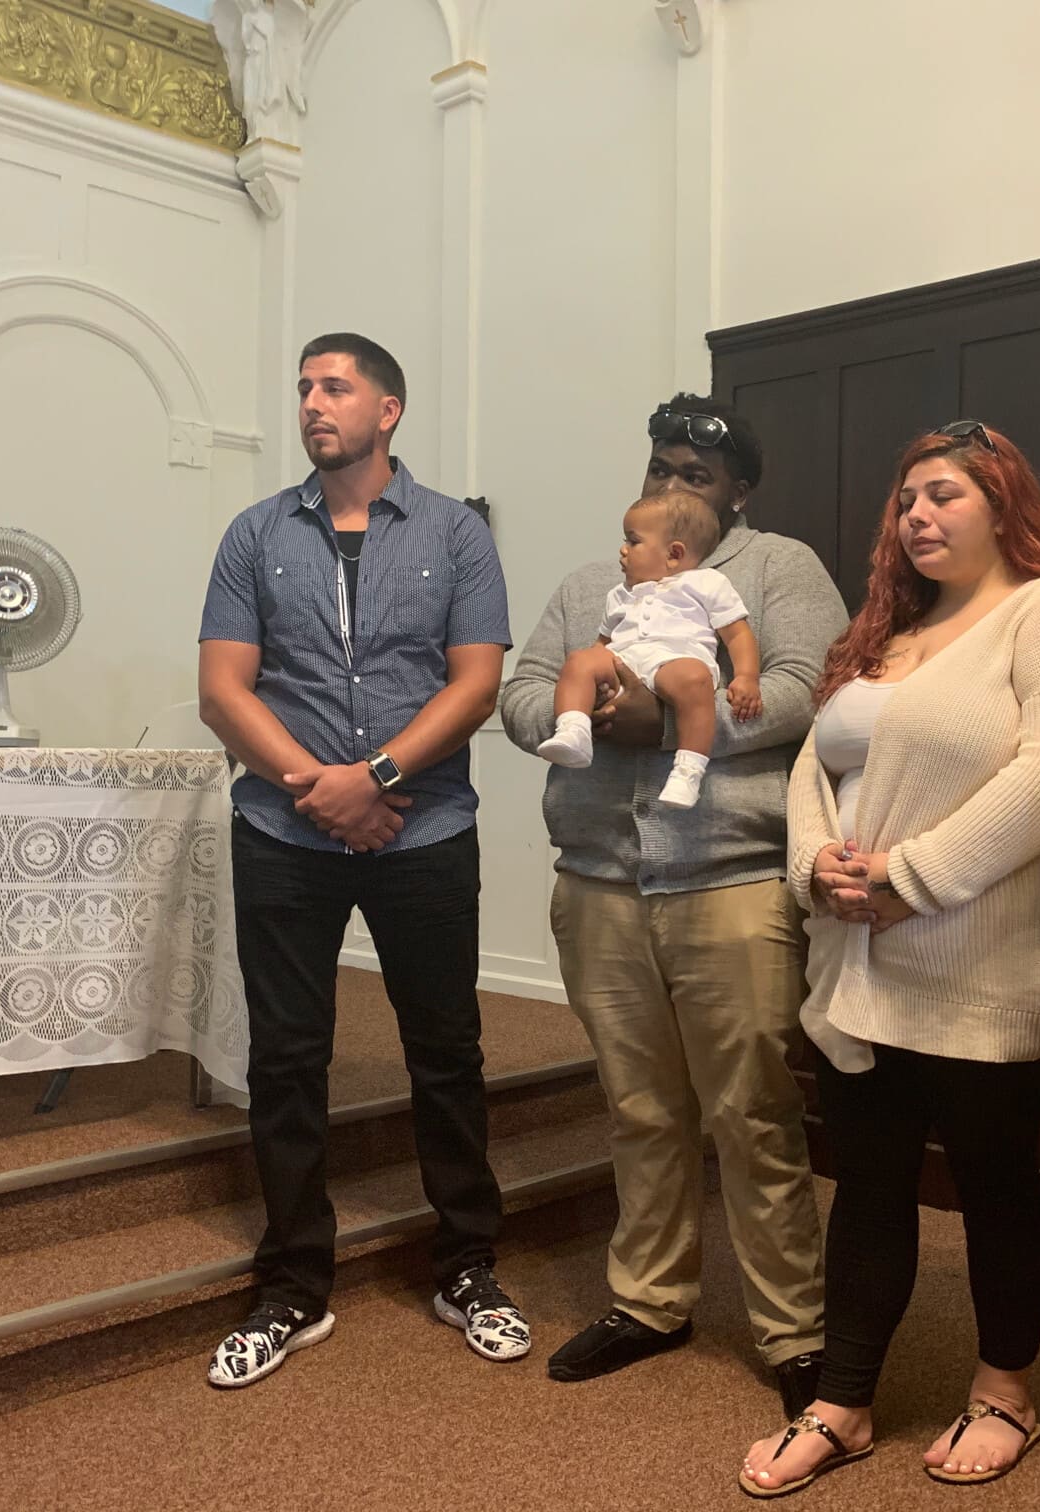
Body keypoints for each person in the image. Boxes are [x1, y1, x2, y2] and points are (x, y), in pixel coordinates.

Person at [740, 420, 1040, 1498]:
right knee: (866, 1184)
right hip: (859, 970)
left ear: (1004, 505)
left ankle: (1006, 1391)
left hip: (984, 969)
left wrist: (912, 876)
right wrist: (816, 864)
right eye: (906, 499)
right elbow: (814, 768)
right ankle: (844, 1402)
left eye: (945, 494)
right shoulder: (888, 634)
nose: (918, 514)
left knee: (997, 1182)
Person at [196, 332, 528, 1388]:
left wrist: (375, 775)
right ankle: (293, 1284)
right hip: (287, 834)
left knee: (447, 1048)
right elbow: (224, 691)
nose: (311, 402)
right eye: (303, 386)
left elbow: (476, 683)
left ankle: (467, 1266)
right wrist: (326, 792)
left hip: (423, 830)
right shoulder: (254, 535)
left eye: (334, 386)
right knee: (289, 1057)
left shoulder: (455, 536)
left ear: (388, 409)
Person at [499, 395, 842, 1415]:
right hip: (599, 886)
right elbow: (522, 695)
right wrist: (596, 715)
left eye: (697, 474)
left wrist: (671, 724)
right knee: (641, 1108)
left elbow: (806, 689)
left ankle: (795, 1331)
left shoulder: (778, 571)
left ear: (739, 492)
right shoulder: (590, 582)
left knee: (754, 1115)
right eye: (661, 469)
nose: (673, 487)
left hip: (730, 882)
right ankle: (650, 1302)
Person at [534, 489, 762, 808]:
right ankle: (574, 730)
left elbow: (737, 634)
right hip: (625, 660)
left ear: (674, 554)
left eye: (633, 541)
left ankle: (688, 771)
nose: (623, 550)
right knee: (580, 660)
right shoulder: (619, 594)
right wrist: (590, 674)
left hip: (676, 661)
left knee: (695, 680)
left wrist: (747, 677)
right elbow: (602, 644)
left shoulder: (708, 583)